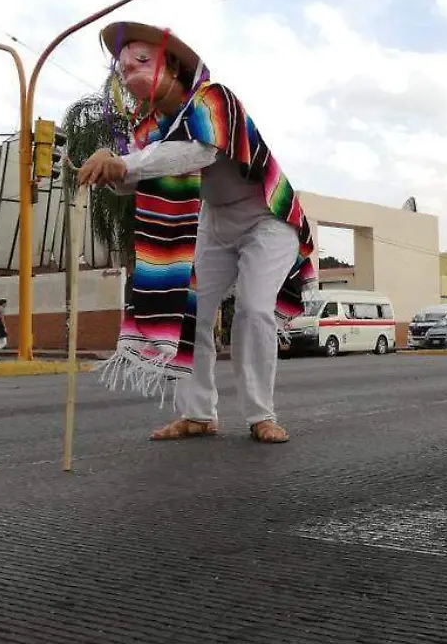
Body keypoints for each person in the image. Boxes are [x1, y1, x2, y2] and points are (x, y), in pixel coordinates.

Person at [77, 22, 316, 445]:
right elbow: (134, 177)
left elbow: (198, 151)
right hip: (216, 221)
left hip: (268, 219)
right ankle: (198, 413)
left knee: (254, 309)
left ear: (170, 64)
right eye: (124, 66)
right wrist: (109, 167)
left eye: (141, 61)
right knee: (192, 313)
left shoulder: (214, 98)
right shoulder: (148, 129)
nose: (129, 72)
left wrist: (124, 163)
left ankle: (262, 414)